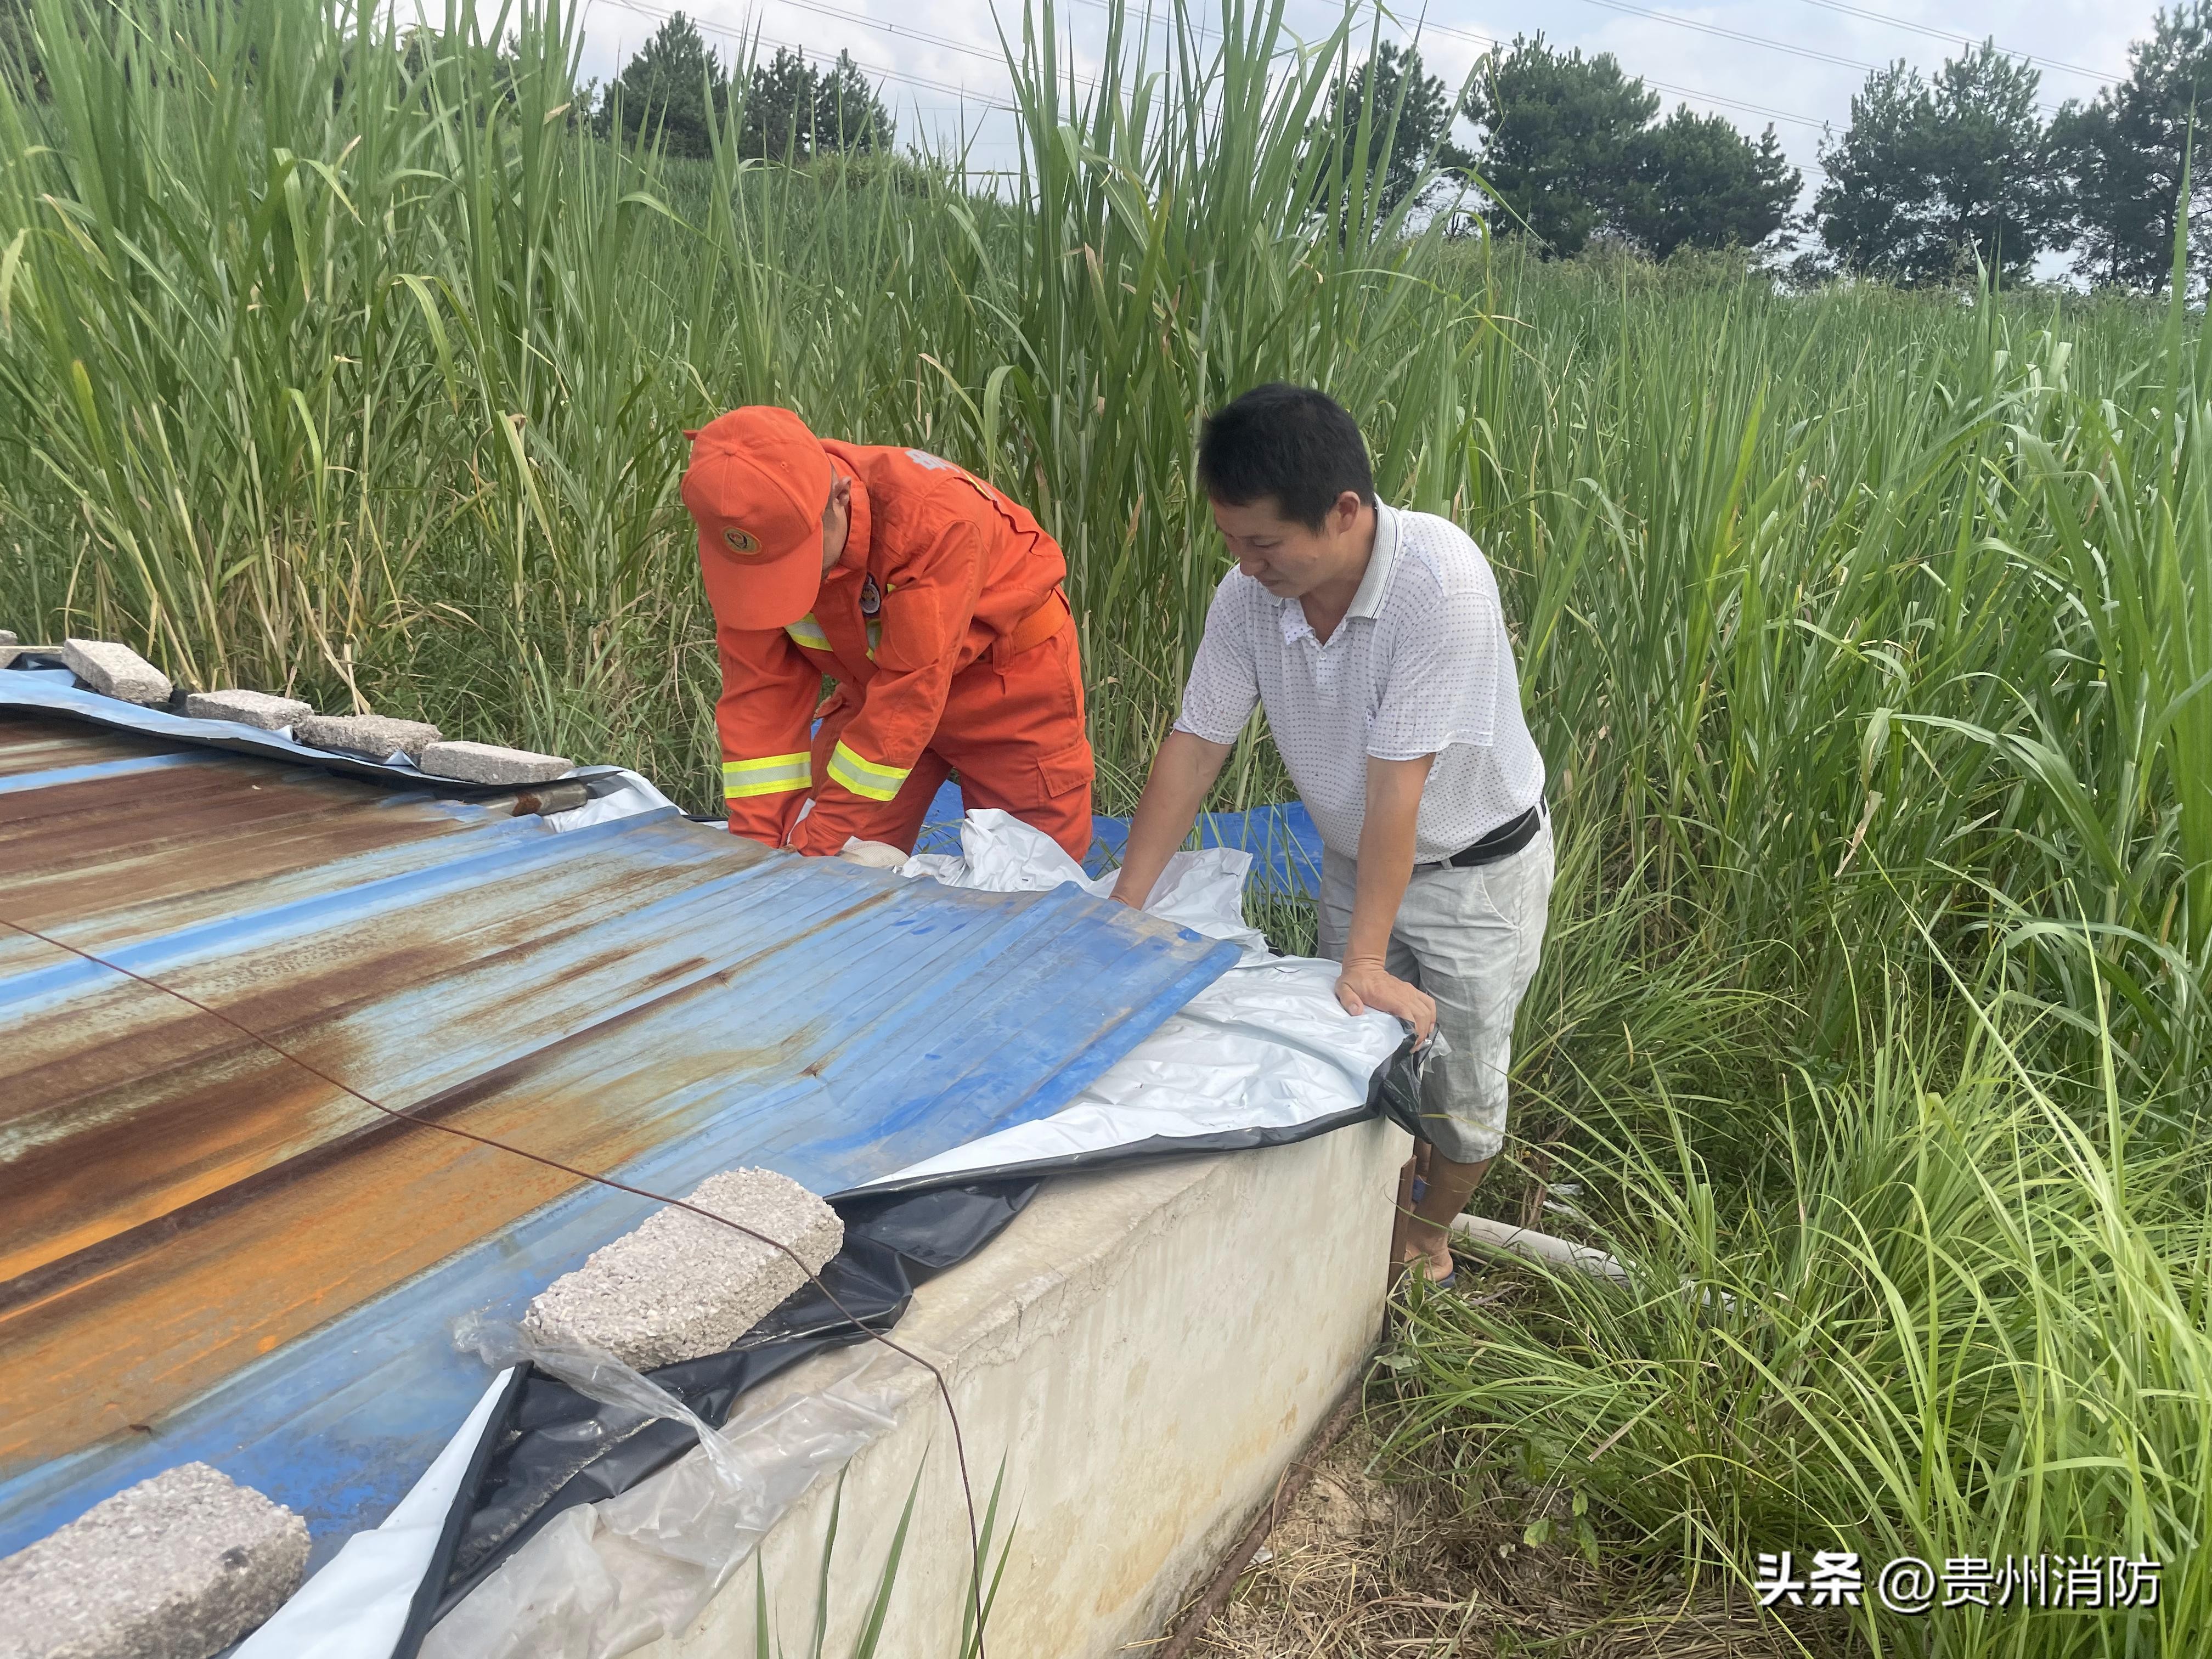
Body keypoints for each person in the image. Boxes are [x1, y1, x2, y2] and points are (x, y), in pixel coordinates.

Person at [1111, 384, 1552, 1284]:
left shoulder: (1439, 584)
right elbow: (1196, 747)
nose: (1243, 565)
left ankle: (1426, 1236)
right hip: (1358, 861)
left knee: (1463, 1090)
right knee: (1352, 1050)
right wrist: (1121, 909)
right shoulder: (1250, 597)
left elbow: (1399, 788)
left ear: (1344, 511)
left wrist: (1366, 958)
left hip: (1474, 871)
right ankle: (1374, 1211)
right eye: (1230, 540)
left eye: (1263, 543)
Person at [682, 407, 1093, 862]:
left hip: (1006, 688)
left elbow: (911, 692)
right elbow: (759, 702)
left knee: (1031, 876)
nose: (790, 582)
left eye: (799, 560)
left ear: (840, 496)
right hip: (875, 688)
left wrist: (819, 838)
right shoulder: (746, 542)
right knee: (833, 863)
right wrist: (755, 849)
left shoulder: (932, 520)